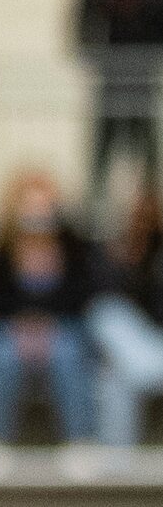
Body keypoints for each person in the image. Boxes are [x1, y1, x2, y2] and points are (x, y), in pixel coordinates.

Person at [0, 170, 98, 445]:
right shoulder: (0, 250)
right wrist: (24, 324)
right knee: (2, 355)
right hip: (11, 327)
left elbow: (80, 298)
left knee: (68, 352)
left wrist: (46, 324)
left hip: (60, 326)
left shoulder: (73, 247)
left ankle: (80, 439)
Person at [77, 0, 163, 211]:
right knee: (101, 163)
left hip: (144, 86)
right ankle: (95, 219)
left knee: (149, 163)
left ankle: (151, 224)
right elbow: (84, 31)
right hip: (110, 88)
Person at [90, 186, 163, 445]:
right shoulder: (105, 252)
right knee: (106, 315)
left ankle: (146, 369)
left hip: (155, 342)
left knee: (116, 378)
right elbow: (99, 301)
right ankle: (117, 473)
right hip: (132, 345)